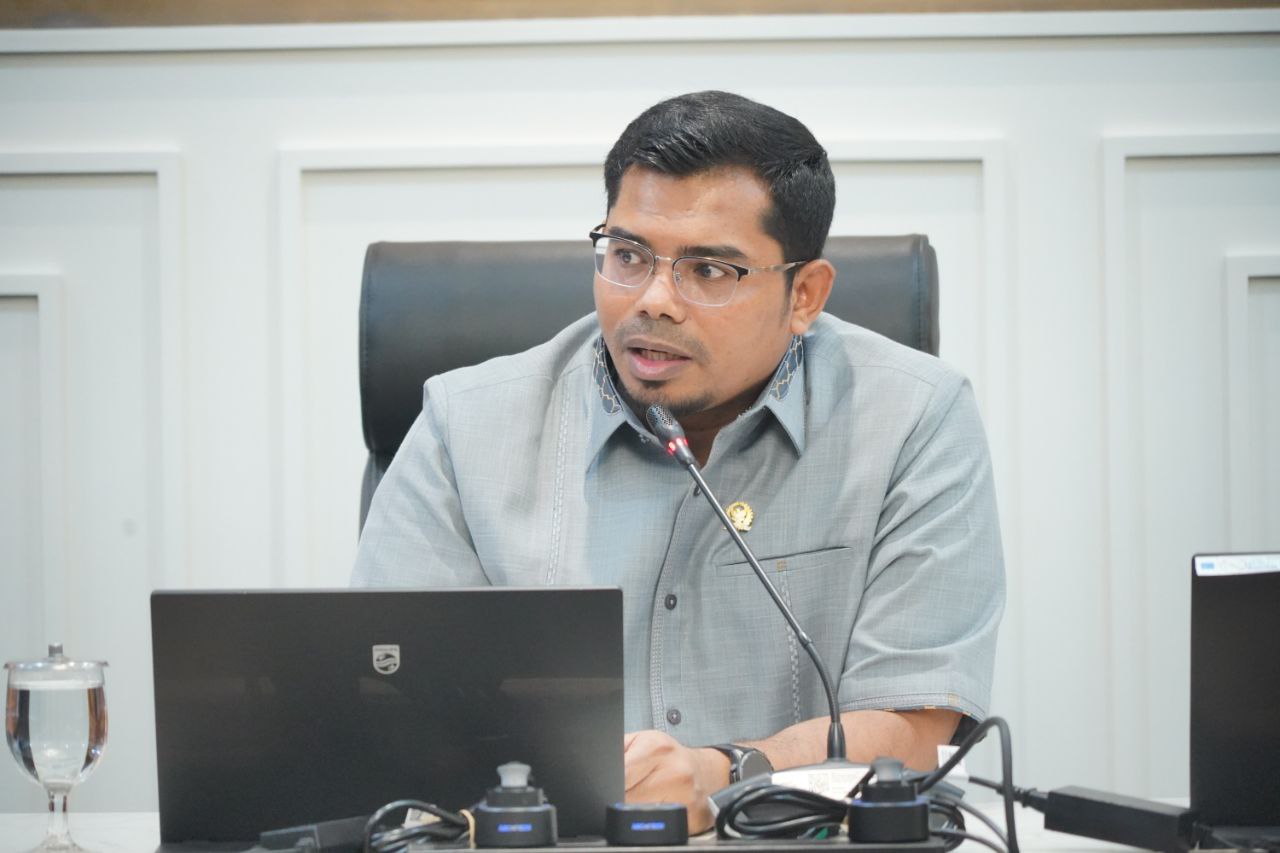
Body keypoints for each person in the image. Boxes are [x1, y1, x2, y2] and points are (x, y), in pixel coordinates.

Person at [352, 90, 1004, 832]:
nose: (654, 300)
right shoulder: (464, 426)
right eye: (628, 256)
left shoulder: (914, 417)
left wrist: (725, 771)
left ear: (804, 295)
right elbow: (384, 702)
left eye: (709, 270)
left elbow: (915, 728)